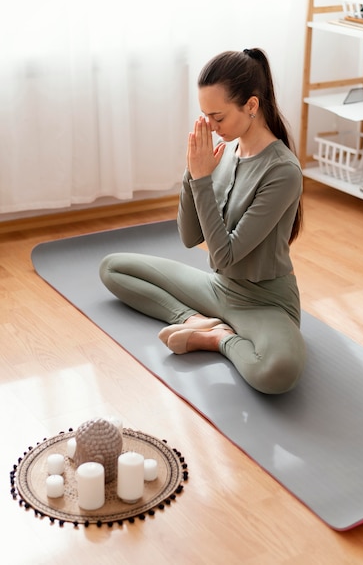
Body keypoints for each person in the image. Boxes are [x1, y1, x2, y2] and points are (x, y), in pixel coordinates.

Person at [99, 48, 306, 394]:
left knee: (277, 373)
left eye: (218, 117)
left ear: (251, 106)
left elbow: (223, 255)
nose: (211, 126)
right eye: (205, 116)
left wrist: (202, 180)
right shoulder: (225, 151)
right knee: (112, 267)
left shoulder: (282, 172)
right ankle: (197, 322)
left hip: (264, 301)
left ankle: (218, 338)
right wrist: (192, 173)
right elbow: (189, 236)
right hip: (218, 288)